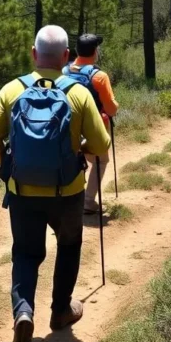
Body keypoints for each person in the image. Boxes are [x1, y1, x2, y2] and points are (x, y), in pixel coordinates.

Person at [0, 25, 112, 342]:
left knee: (25, 253)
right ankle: (60, 311)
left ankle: (23, 313)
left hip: (22, 192)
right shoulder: (78, 93)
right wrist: (77, 149)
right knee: (68, 246)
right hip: (67, 191)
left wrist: (13, 166)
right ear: (66, 57)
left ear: (33, 54)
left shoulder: (12, 90)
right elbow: (100, 143)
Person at [62, 33, 119, 215]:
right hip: (95, 127)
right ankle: (87, 200)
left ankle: (69, 198)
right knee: (101, 161)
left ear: (76, 51)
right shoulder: (99, 76)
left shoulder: (64, 72)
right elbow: (111, 110)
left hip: (68, 126)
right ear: (95, 51)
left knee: (74, 158)